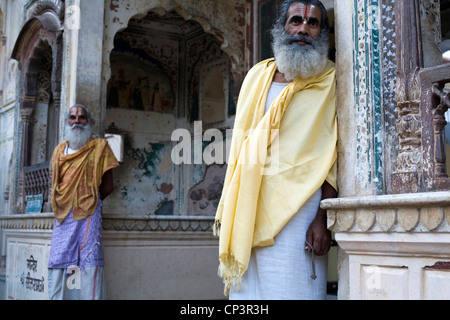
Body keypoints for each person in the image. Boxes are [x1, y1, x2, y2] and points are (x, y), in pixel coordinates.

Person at [214, 0, 337, 300]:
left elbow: (337, 153)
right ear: (283, 26)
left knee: (295, 289)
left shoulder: (331, 79)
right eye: (296, 20)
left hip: (301, 210)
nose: (303, 29)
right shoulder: (257, 76)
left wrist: (323, 218)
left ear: (322, 32)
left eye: (313, 23)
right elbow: (241, 148)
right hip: (249, 203)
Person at [47, 104, 119, 300]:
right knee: (60, 261)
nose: (77, 121)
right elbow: (54, 185)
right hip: (62, 215)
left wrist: (90, 202)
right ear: (67, 122)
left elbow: (108, 186)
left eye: (81, 117)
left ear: (89, 122)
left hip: (89, 214)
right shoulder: (59, 152)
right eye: (72, 117)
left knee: (88, 262)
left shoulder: (100, 148)